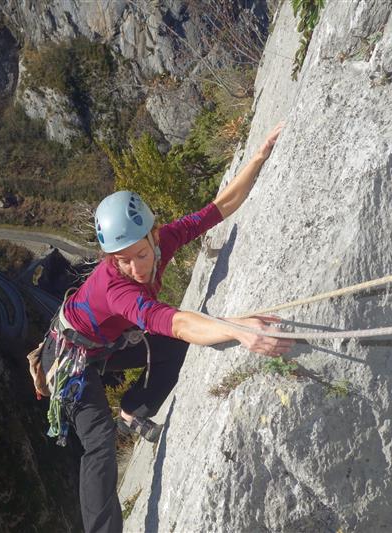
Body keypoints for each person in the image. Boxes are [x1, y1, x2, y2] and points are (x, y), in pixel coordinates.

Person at [32, 123, 294, 533]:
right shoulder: (116, 288)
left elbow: (219, 207)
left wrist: (259, 157)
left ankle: (135, 409)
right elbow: (176, 321)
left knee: (175, 350)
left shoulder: (162, 240)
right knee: (99, 442)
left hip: (107, 343)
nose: (135, 268)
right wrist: (240, 331)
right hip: (69, 357)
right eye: (122, 260)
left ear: (155, 235)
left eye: (139, 254)